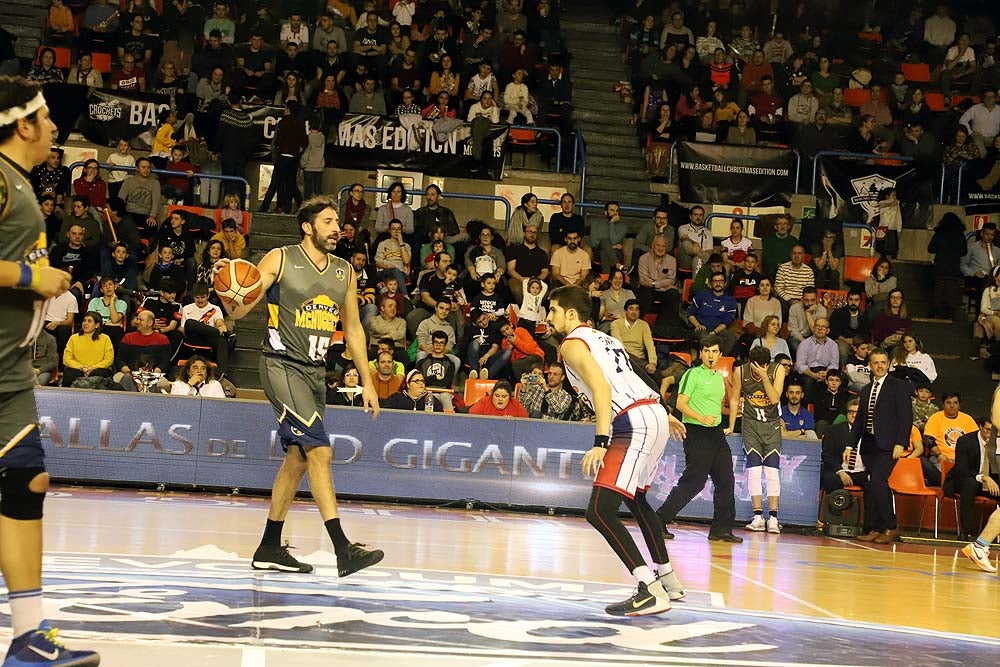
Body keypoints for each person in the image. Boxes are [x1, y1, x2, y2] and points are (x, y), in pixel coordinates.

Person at [217, 195, 384, 578]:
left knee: (298, 459)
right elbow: (241, 307)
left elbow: (354, 329)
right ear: (308, 227)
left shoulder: (344, 270)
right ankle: (344, 549)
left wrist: (369, 381)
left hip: (313, 373)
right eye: (327, 221)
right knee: (320, 452)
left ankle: (270, 546)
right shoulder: (281, 257)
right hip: (280, 365)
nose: (336, 227)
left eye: (337, 221)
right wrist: (230, 293)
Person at [0, 75, 101, 666]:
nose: (55, 128)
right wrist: (35, 279)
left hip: (10, 370)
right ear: (22, 125)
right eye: (46, 118)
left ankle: (29, 637)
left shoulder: (20, 183)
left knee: (26, 482)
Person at [547, 285, 687, 615]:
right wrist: (665, 412)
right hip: (652, 413)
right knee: (636, 498)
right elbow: (638, 377)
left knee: (599, 510)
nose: (548, 316)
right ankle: (668, 579)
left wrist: (600, 442)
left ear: (570, 313)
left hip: (631, 421)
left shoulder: (571, 343)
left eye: (552, 310)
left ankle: (648, 587)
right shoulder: (607, 339)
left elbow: (601, 387)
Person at [656, 334, 742, 543]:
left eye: (714, 352)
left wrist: (730, 420)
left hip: (716, 433)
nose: (710, 355)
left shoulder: (719, 379)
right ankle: (659, 520)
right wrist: (701, 417)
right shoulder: (692, 374)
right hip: (695, 430)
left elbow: (718, 405)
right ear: (701, 353)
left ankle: (721, 529)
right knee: (694, 481)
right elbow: (681, 404)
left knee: (726, 480)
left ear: (720, 355)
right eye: (707, 351)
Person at [850, 348, 913, 544]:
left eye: (883, 362)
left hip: (888, 445)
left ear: (888, 364)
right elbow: (860, 420)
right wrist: (850, 445)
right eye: (875, 363)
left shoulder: (898, 386)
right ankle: (875, 528)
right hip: (869, 445)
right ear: (870, 365)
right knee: (873, 485)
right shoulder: (867, 389)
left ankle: (892, 526)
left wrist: (900, 443)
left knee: (878, 481)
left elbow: (905, 417)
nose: (879, 366)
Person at [727, 346, 786, 533]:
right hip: (751, 424)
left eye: (763, 366)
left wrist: (764, 376)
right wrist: (730, 425)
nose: (758, 369)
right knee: (753, 470)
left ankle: (774, 518)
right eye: (755, 367)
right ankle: (758, 516)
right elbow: (735, 399)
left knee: (772, 472)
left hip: (772, 424)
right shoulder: (740, 371)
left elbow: (775, 398)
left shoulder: (778, 370)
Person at [944, 415, 999, 542]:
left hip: (989, 481)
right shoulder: (965, 441)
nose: (991, 433)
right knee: (970, 484)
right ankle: (965, 531)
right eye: (988, 429)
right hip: (963, 479)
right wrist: (984, 478)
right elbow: (962, 470)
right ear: (980, 427)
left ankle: (993, 534)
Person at [820, 398, 869, 493]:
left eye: (857, 412)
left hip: (862, 473)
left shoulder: (870, 433)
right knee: (830, 479)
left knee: (875, 483)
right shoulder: (833, 430)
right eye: (851, 412)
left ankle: (868, 508)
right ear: (846, 414)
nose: (854, 415)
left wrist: (871, 473)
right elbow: (827, 455)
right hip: (840, 471)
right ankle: (836, 507)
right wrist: (841, 472)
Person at [61, 311, 115, 387]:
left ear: (97, 325)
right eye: (84, 321)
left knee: (100, 374)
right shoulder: (74, 338)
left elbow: (109, 359)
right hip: (78, 369)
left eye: (89, 321)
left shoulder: (105, 338)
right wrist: (81, 367)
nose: (85, 323)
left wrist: (92, 368)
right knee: (69, 374)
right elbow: (66, 359)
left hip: (97, 369)